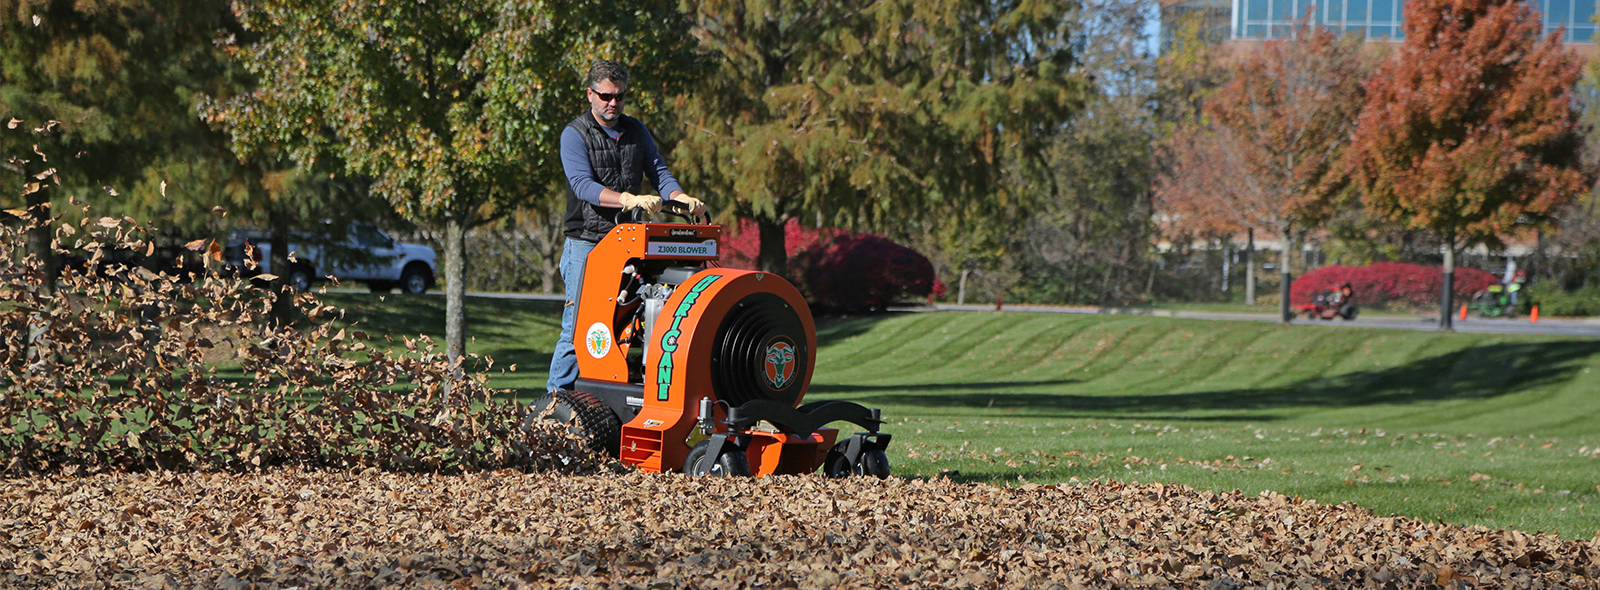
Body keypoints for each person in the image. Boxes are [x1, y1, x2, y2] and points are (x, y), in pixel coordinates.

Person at [546, 60, 706, 394]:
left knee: (631, 327)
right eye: (605, 96)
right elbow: (582, 185)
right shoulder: (574, 134)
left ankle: (610, 397)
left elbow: (658, 171)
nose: (612, 103)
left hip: (628, 245)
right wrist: (628, 199)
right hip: (586, 245)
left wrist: (680, 197)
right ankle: (553, 408)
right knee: (578, 331)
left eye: (619, 96)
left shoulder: (636, 131)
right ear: (590, 94)